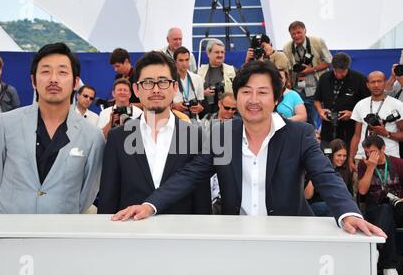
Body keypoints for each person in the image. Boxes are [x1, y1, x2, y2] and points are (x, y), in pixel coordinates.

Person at [111, 60, 386, 239]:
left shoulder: (298, 135)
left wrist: (349, 212)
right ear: (237, 96)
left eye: (263, 92)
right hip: (236, 238)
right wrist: (150, 204)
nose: (253, 100)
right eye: (246, 91)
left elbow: (326, 177)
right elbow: (189, 175)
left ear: (277, 97)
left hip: (289, 238)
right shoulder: (222, 134)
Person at [0, 43, 104, 217]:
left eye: (62, 72)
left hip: (61, 231)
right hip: (9, 229)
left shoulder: (92, 136)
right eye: (46, 71)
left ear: (75, 82)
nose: (53, 79)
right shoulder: (5, 124)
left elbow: (87, 193)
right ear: (33, 81)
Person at [97, 51, 211, 215]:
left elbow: (202, 201)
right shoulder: (118, 138)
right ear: (136, 89)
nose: (156, 89)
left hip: (180, 235)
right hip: (132, 234)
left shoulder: (196, 137)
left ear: (174, 88)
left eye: (163, 82)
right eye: (148, 82)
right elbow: (108, 199)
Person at [358, 135, 403, 275]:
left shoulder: (397, 163)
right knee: (385, 210)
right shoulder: (364, 165)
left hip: (398, 208)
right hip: (374, 210)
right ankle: (389, 267)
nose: (369, 155)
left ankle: (375, 248)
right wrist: (371, 167)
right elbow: (362, 191)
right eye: (367, 152)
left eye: (373, 152)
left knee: (389, 210)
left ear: (383, 149)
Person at [349, 71, 403, 173]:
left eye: (379, 81)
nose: (376, 85)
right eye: (373, 82)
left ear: (385, 82)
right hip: (363, 157)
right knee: (360, 188)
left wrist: (386, 133)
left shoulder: (397, 105)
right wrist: (351, 158)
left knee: (391, 189)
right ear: (367, 85)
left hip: (389, 157)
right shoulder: (360, 105)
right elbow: (356, 135)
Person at [314, 52, 369, 149]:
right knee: (327, 157)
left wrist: (352, 114)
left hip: (349, 131)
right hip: (327, 130)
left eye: (342, 72)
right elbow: (317, 99)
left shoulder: (359, 79)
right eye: (336, 71)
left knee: (345, 159)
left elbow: (367, 104)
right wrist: (320, 111)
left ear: (348, 67)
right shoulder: (324, 78)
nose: (338, 75)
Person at [283, 21, 332, 128]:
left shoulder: (317, 42)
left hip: (316, 87)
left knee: (314, 119)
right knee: (301, 120)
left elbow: (329, 61)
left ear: (305, 31)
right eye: (293, 34)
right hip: (298, 89)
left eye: (299, 32)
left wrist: (311, 69)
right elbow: (287, 69)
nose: (296, 36)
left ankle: (314, 140)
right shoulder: (287, 47)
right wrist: (289, 82)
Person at [198, 39, 236, 114]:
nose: (220, 55)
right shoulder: (199, 72)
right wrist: (203, 93)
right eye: (217, 52)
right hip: (204, 116)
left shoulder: (232, 70)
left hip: (227, 116)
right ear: (208, 53)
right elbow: (191, 95)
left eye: (222, 52)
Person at [171, 46, 205, 122]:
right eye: (181, 60)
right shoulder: (168, 79)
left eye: (187, 60)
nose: (184, 63)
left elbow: (201, 103)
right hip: (174, 119)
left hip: (193, 119)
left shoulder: (198, 78)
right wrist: (173, 106)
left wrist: (199, 107)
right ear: (175, 61)